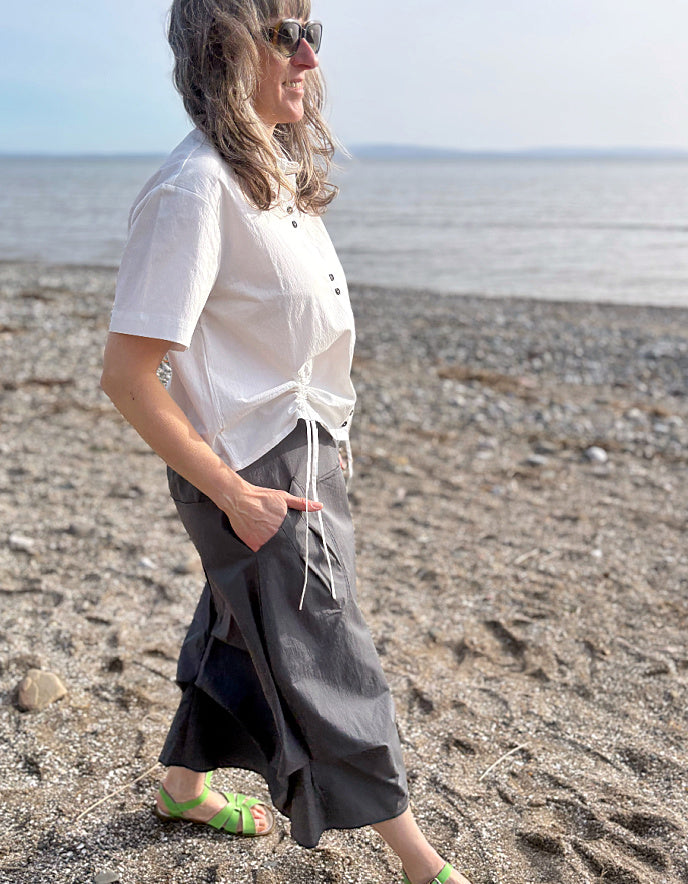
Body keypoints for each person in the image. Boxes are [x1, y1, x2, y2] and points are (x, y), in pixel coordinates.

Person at [100, 2, 472, 882]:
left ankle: (183, 788)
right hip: (252, 471)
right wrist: (235, 495)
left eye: (312, 32)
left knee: (237, 623)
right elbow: (127, 375)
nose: (307, 57)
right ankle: (422, 864)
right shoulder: (194, 190)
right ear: (221, 49)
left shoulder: (270, 171)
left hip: (303, 451)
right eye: (281, 35)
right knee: (332, 657)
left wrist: (330, 440)